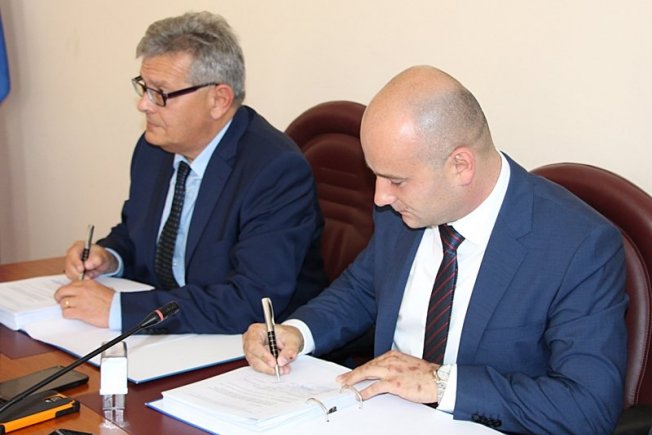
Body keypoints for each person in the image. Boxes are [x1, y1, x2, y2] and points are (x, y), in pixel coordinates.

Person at [243, 65, 627, 433]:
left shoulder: (578, 247)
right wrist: (296, 333)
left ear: (460, 166)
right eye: (376, 176)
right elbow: (361, 290)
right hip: (376, 418)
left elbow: (588, 408)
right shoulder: (402, 213)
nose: (380, 198)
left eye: (396, 181)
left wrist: (440, 383)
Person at [54, 11, 326, 334]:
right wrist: (110, 257)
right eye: (144, 87)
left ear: (218, 100)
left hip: (250, 347)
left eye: (160, 93)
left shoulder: (274, 171)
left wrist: (120, 310)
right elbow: (137, 232)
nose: (144, 105)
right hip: (180, 337)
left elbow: (251, 299)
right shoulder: (154, 149)